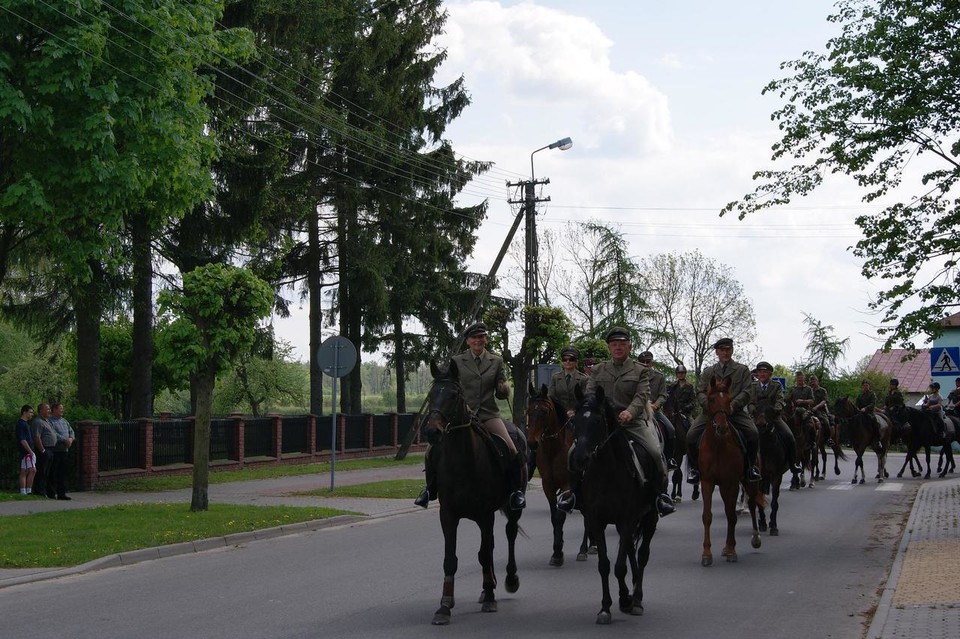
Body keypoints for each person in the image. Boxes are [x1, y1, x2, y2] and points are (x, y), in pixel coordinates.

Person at [557, 327, 675, 517]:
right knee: (573, 453)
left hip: (632, 422)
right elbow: (590, 393)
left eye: (622, 344)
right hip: (604, 424)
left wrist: (630, 411)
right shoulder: (598, 370)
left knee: (654, 452)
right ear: (609, 347)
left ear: (629, 346)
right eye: (614, 345)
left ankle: (660, 496)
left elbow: (642, 394)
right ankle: (574, 494)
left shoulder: (640, 370)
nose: (618, 348)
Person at [415, 322, 525, 510]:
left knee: (511, 448)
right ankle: (429, 490)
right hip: (462, 415)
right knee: (430, 451)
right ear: (468, 341)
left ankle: (516, 493)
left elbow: (501, 384)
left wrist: (503, 388)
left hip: (488, 414)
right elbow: (449, 384)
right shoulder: (457, 361)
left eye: (481, 337)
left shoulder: (496, 361)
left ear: (485, 339)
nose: (478, 340)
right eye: (474, 338)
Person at [686, 337, 761, 484]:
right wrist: (707, 405)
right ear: (717, 352)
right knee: (690, 436)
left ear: (732, 350)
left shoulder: (742, 370)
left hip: (735, 412)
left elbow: (747, 392)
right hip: (711, 413)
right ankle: (695, 469)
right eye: (722, 350)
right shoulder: (709, 372)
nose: (725, 353)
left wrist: (733, 405)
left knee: (753, 433)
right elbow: (700, 391)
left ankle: (751, 468)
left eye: (728, 349)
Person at [750, 362, 802, 475]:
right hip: (757, 416)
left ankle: (793, 464)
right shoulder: (753, 386)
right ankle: (748, 465)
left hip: (773, 416)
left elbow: (780, 400)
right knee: (745, 435)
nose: (762, 374)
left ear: (770, 374)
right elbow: (750, 401)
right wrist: (753, 410)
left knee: (789, 436)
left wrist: (775, 410)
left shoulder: (776, 385)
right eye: (760, 372)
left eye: (764, 372)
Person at [637, 350, 677, 470]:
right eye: (642, 362)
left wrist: (655, 405)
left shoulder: (659, 377)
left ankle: (669, 458)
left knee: (671, 429)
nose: (645, 364)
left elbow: (663, 395)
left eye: (648, 361)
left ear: (652, 362)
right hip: (639, 411)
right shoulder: (635, 376)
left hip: (655, 411)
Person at [548, 345, 588, 419]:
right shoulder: (555, 378)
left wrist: (574, 411)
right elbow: (550, 397)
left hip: (578, 415)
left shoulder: (583, 379)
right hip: (559, 415)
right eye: (564, 359)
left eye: (571, 359)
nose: (568, 362)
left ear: (576, 361)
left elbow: (585, 399)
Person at [48, 402, 75, 500]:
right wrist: (65, 440)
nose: (62, 410)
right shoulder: (50, 421)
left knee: (62, 473)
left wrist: (71, 439)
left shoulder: (64, 421)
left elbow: (71, 431)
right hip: (55, 450)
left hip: (64, 450)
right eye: (60, 408)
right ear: (54, 410)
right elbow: (53, 433)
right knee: (53, 472)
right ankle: (51, 493)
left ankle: (61, 493)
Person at [31, 402, 58, 499]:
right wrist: (42, 450)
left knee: (49, 472)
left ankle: (49, 491)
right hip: (44, 450)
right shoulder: (38, 422)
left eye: (49, 409)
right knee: (42, 471)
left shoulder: (47, 421)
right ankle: (39, 491)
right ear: (41, 411)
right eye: (47, 409)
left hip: (51, 449)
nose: (49, 411)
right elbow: (36, 437)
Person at [809, 374, 835, 445]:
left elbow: (824, 401)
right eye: (811, 381)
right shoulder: (809, 390)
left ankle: (829, 438)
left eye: (814, 381)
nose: (812, 383)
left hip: (820, 410)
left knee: (825, 421)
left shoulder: (822, 390)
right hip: (810, 410)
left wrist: (816, 407)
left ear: (817, 381)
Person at [16, 405, 36, 496]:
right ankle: (26, 490)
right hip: (26, 451)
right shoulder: (21, 424)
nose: (32, 414)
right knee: (32, 470)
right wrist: (30, 451)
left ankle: (25, 491)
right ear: (25, 412)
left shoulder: (25, 424)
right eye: (30, 412)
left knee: (26, 470)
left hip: (26, 451)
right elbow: (23, 440)